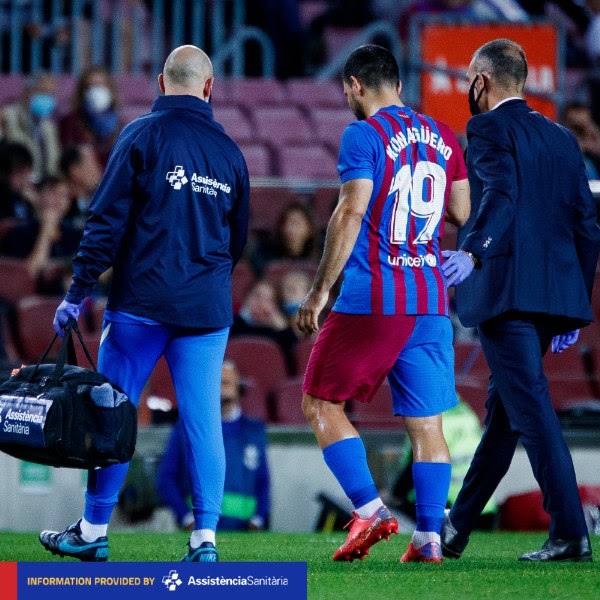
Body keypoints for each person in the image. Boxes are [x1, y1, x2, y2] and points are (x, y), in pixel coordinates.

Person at [38, 44, 250, 563]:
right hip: (204, 312)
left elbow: (103, 226)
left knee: (111, 413)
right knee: (203, 421)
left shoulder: (139, 136)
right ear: (208, 87)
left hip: (140, 305)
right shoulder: (230, 154)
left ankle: (92, 531)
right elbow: (237, 240)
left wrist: (75, 292)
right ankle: (205, 540)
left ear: (159, 82)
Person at [296, 44, 470, 563]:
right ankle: (429, 539)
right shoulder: (442, 134)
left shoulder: (363, 134)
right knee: (427, 425)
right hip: (432, 299)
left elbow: (351, 210)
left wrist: (320, 291)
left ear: (355, 84)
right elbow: (461, 209)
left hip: (377, 294)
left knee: (319, 401)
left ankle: (369, 510)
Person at [440, 38, 600, 563]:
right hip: (550, 298)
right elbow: (587, 226)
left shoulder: (486, 128)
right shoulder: (561, 139)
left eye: (469, 79)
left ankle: (571, 532)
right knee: (505, 418)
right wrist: (574, 301)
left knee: (531, 411)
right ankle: (456, 529)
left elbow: (503, 194)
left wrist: (475, 253)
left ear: (481, 81)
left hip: (507, 296)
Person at [156, 360, 270, 532]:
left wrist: (258, 519)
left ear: (239, 387)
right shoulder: (186, 427)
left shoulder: (254, 431)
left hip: (245, 531)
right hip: (197, 528)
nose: (223, 385)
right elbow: (166, 478)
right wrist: (185, 517)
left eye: (228, 381)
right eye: (218, 381)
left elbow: (263, 481)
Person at [0, 72, 61, 181]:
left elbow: (54, 163)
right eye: (43, 92)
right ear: (28, 91)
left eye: (51, 94)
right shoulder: (7, 117)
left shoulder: (49, 126)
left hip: (45, 186)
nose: (47, 98)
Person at [58, 65, 122, 167]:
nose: (97, 91)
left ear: (110, 90)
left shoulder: (119, 124)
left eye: (101, 85)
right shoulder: (70, 122)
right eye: (91, 86)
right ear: (82, 91)